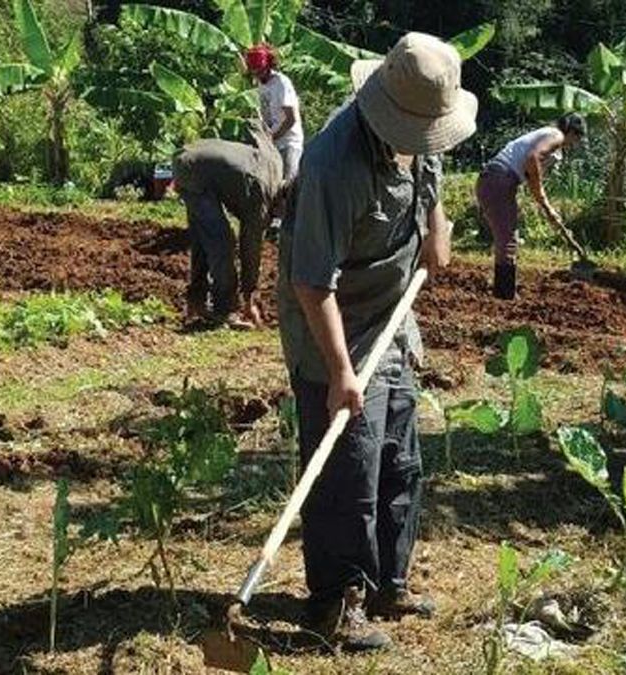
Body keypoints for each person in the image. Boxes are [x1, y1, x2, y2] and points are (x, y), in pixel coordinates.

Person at [277, 32, 475, 652]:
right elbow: (311, 282)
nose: (425, 142)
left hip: (393, 315)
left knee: (399, 458)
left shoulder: (420, 128)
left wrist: (436, 228)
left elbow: (431, 177)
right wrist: (339, 372)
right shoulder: (335, 163)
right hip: (333, 325)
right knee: (346, 469)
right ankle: (337, 601)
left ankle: (390, 578)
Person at [173, 124, 283, 328]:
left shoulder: (275, 167)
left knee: (203, 239)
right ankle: (225, 310)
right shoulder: (262, 196)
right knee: (222, 244)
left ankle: (196, 301)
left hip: (193, 157)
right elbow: (250, 248)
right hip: (194, 172)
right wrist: (250, 294)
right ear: (284, 204)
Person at [476, 115, 587, 299]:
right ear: (572, 132)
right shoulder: (556, 135)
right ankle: (504, 295)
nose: (574, 144)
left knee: (509, 237)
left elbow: (530, 172)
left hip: (497, 181)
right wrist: (543, 198)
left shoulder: (547, 136)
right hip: (498, 180)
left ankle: (505, 291)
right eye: (577, 138)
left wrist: (546, 205)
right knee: (507, 239)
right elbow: (532, 159)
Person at [246, 43, 303, 234]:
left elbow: (291, 118)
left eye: (259, 70)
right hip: (272, 141)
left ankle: (287, 228)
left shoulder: (281, 83)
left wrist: (272, 136)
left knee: (287, 184)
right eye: (254, 71)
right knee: (269, 183)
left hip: (289, 141)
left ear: (268, 65)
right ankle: (273, 223)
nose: (257, 74)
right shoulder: (261, 85)